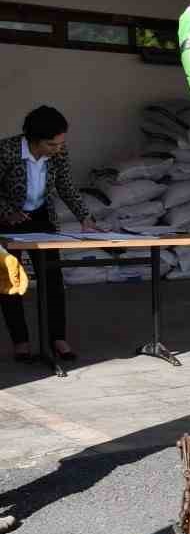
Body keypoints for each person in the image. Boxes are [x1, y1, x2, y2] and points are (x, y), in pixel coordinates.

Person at [1, 106, 99, 362]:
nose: (57, 149)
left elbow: (65, 185)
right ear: (33, 139)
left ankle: (57, 338)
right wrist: (8, 212)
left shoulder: (58, 153)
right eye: (51, 144)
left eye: (60, 143)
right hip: (9, 221)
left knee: (52, 281)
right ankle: (21, 342)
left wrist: (84, 217)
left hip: (42, 218)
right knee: (12, 282)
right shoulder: (7, 150)